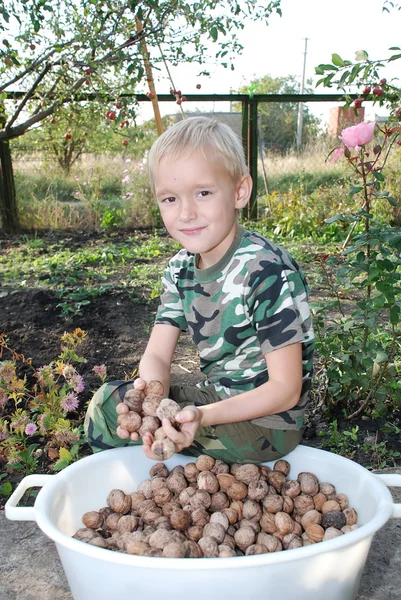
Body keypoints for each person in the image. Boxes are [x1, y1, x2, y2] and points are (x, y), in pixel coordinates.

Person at [84, 116, 314, 464]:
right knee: (109, 403)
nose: (187, 213)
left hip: (267, 425)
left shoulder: (264, 270)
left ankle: (188, 468)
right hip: (218, 403)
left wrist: (201, 416)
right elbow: (158, 356)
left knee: (121, 417)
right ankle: (174, 476)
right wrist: (153, 403)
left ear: (240, 191)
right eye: (170, 199)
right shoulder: (180, 269)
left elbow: (285, 390)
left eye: (203, 193)